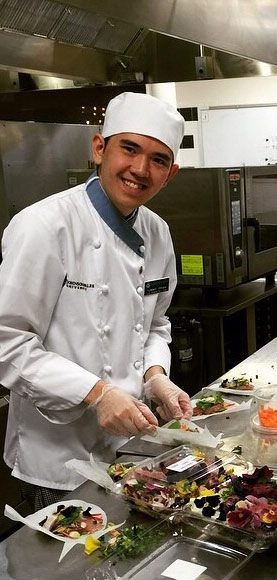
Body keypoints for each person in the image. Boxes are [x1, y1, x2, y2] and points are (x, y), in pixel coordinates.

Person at [0, 92, 194, 509]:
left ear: (170, 173)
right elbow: (7, 340)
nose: (140, 169)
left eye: (158, 159)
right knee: (60, 568)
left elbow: (156, 322)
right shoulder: (44, 226)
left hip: (130, 448)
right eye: (129, 149)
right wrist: (97, 394)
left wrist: (156, 376)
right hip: (57, 457)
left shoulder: (158, 232)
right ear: (99, 147)